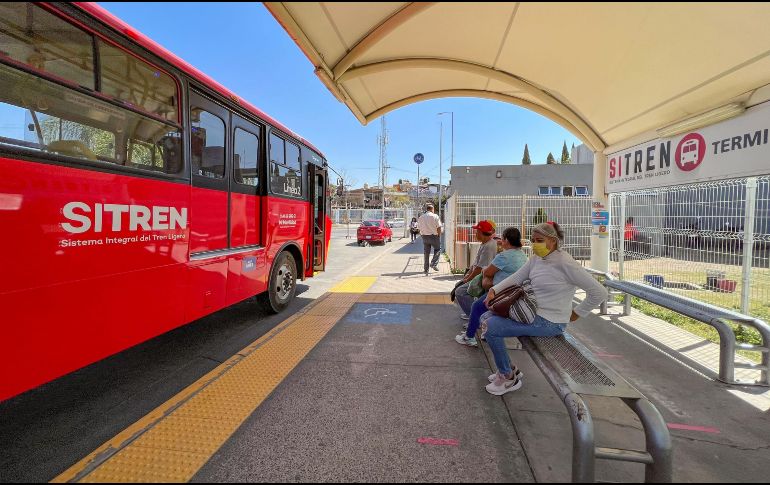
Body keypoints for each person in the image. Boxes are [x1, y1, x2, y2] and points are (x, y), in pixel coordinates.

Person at [481, 221, 607, 396]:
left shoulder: (565, 263)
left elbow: (599, 292)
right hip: (533, 314)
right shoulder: (537, 259)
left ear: (553, 241)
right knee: (485, 317)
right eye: (533, 240)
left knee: (491, 327)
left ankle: (508, 376)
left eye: (540, 240)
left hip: (550, 322)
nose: (535, 244)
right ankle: (508, 368)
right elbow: (517, 277)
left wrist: (576, 313)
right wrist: (493, 290)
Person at [455, 227, 528, 347]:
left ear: (506, 240)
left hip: (501, 293)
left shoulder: (504, 256)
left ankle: (469, 337)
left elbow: (487, 272)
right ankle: (480, 331)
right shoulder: (522, 255)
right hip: (514, 293)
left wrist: (485, 275)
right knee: (482, 309)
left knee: (476, 307)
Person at [454, 220, 498, 318]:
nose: (475, 234)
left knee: (460, 292)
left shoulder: (489, 246)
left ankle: (474, 317)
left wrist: (467, 279)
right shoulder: (485, 243)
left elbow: (479, 269)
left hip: (484, 278)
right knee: (459, 286)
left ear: (483, 233)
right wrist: (467, 275)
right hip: (480, 276)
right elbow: (475, 264)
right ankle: (472, 313)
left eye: (477, 232)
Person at [417, 204, 443, 274]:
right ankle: (433, 264)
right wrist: (439, 235)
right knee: (438, 249)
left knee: (426, 253)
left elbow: (419, 228)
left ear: (427, 209)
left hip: (425, 237)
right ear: (432, 209)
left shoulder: (421, 217)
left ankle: (426, 269)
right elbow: (439, 227)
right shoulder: (435, 216)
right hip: (434, 236)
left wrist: (422, 235)